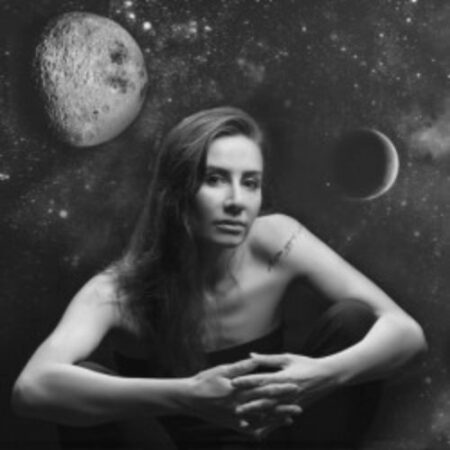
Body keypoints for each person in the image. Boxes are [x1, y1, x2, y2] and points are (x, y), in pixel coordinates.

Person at [12, 106, 427, 449]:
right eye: (214, 179)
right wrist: (187, 396)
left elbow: (407, 334)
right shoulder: (118, 291)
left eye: (250, 183)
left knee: (354, 320)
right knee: (85, 377)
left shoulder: (278, 239)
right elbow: (31, 389)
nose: (236, 201)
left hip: (281, 436)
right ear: (175, 191)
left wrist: (321, 376)